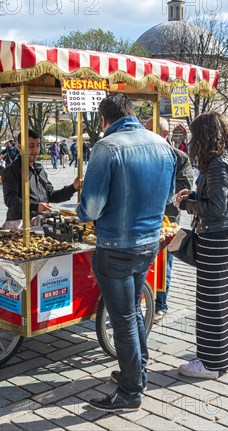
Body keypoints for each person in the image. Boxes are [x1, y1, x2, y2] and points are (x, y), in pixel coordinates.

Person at [78, 94, 176, 412]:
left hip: (115, 247)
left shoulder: (107, 147)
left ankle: (130, 391)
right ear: (132, 112)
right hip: (148, 242)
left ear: (103, 120)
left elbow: (91, 207)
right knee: (132, 312)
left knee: (122, 319)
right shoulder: (162, 144)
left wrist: (83, 212)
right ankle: (138, 372)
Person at [174, 111, 228, 379]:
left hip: (215, 237)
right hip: (227, 235)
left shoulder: (216, 164)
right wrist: (192, 194)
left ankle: (210, 363)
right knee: (221, 300)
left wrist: (187, 205)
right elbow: (221, 196)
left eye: (194, 135)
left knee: (210, 302)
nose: (192, 141)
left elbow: (215, 207)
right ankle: (222, 357)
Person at [144, 117, 193, 323]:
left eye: (149, 130)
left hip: (167, 219)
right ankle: (142, 300)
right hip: (142, 217)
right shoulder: (141, 153)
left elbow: (185, 188)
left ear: (164, 134)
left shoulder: (179, 157)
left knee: (164, 264)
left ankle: (160, 305)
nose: (144, 134)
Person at [2, 129, 81, 229]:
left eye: (38, 145)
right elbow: (10, 199)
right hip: (19, 223)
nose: (36, 150)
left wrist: (73, 187)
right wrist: (35, 206)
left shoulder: (39, 169)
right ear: (20, 147)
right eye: (31, 146)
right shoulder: (12, 170)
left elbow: (51, 195)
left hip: (40, 223)